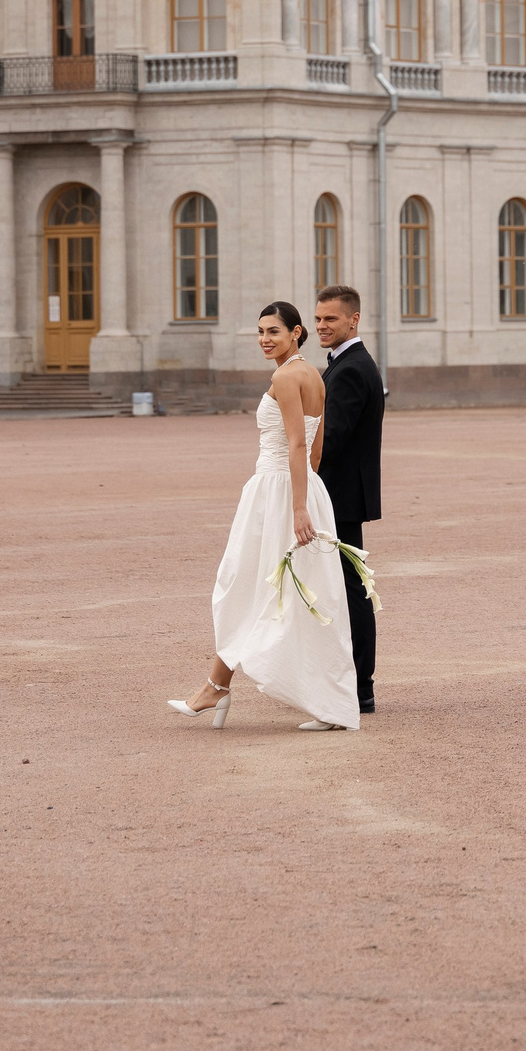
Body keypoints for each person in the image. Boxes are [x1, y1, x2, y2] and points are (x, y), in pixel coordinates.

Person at [168, 302, 358, 731]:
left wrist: (295, 508)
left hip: (278, 493)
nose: (265, 339)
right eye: (260, 332)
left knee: (246, 586)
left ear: (296, 332)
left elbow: (296, 445)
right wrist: (308, 495)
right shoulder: (314, 374)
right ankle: (222, 687)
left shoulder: (286, 376)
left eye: (273, 331)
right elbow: (316, 448)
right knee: (291, 593)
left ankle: (220, 689)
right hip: (298, 489)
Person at [312, 286, 383, 716]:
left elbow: (332, 437)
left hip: (338, 496)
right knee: (340, 589)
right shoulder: (344, 364)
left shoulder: (353, 368)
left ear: (353, 320)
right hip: (337, 493)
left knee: (351, 591)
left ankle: (359, 688)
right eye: (318, 319)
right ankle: (349, 684)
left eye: (331, 320)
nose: (322, 326)